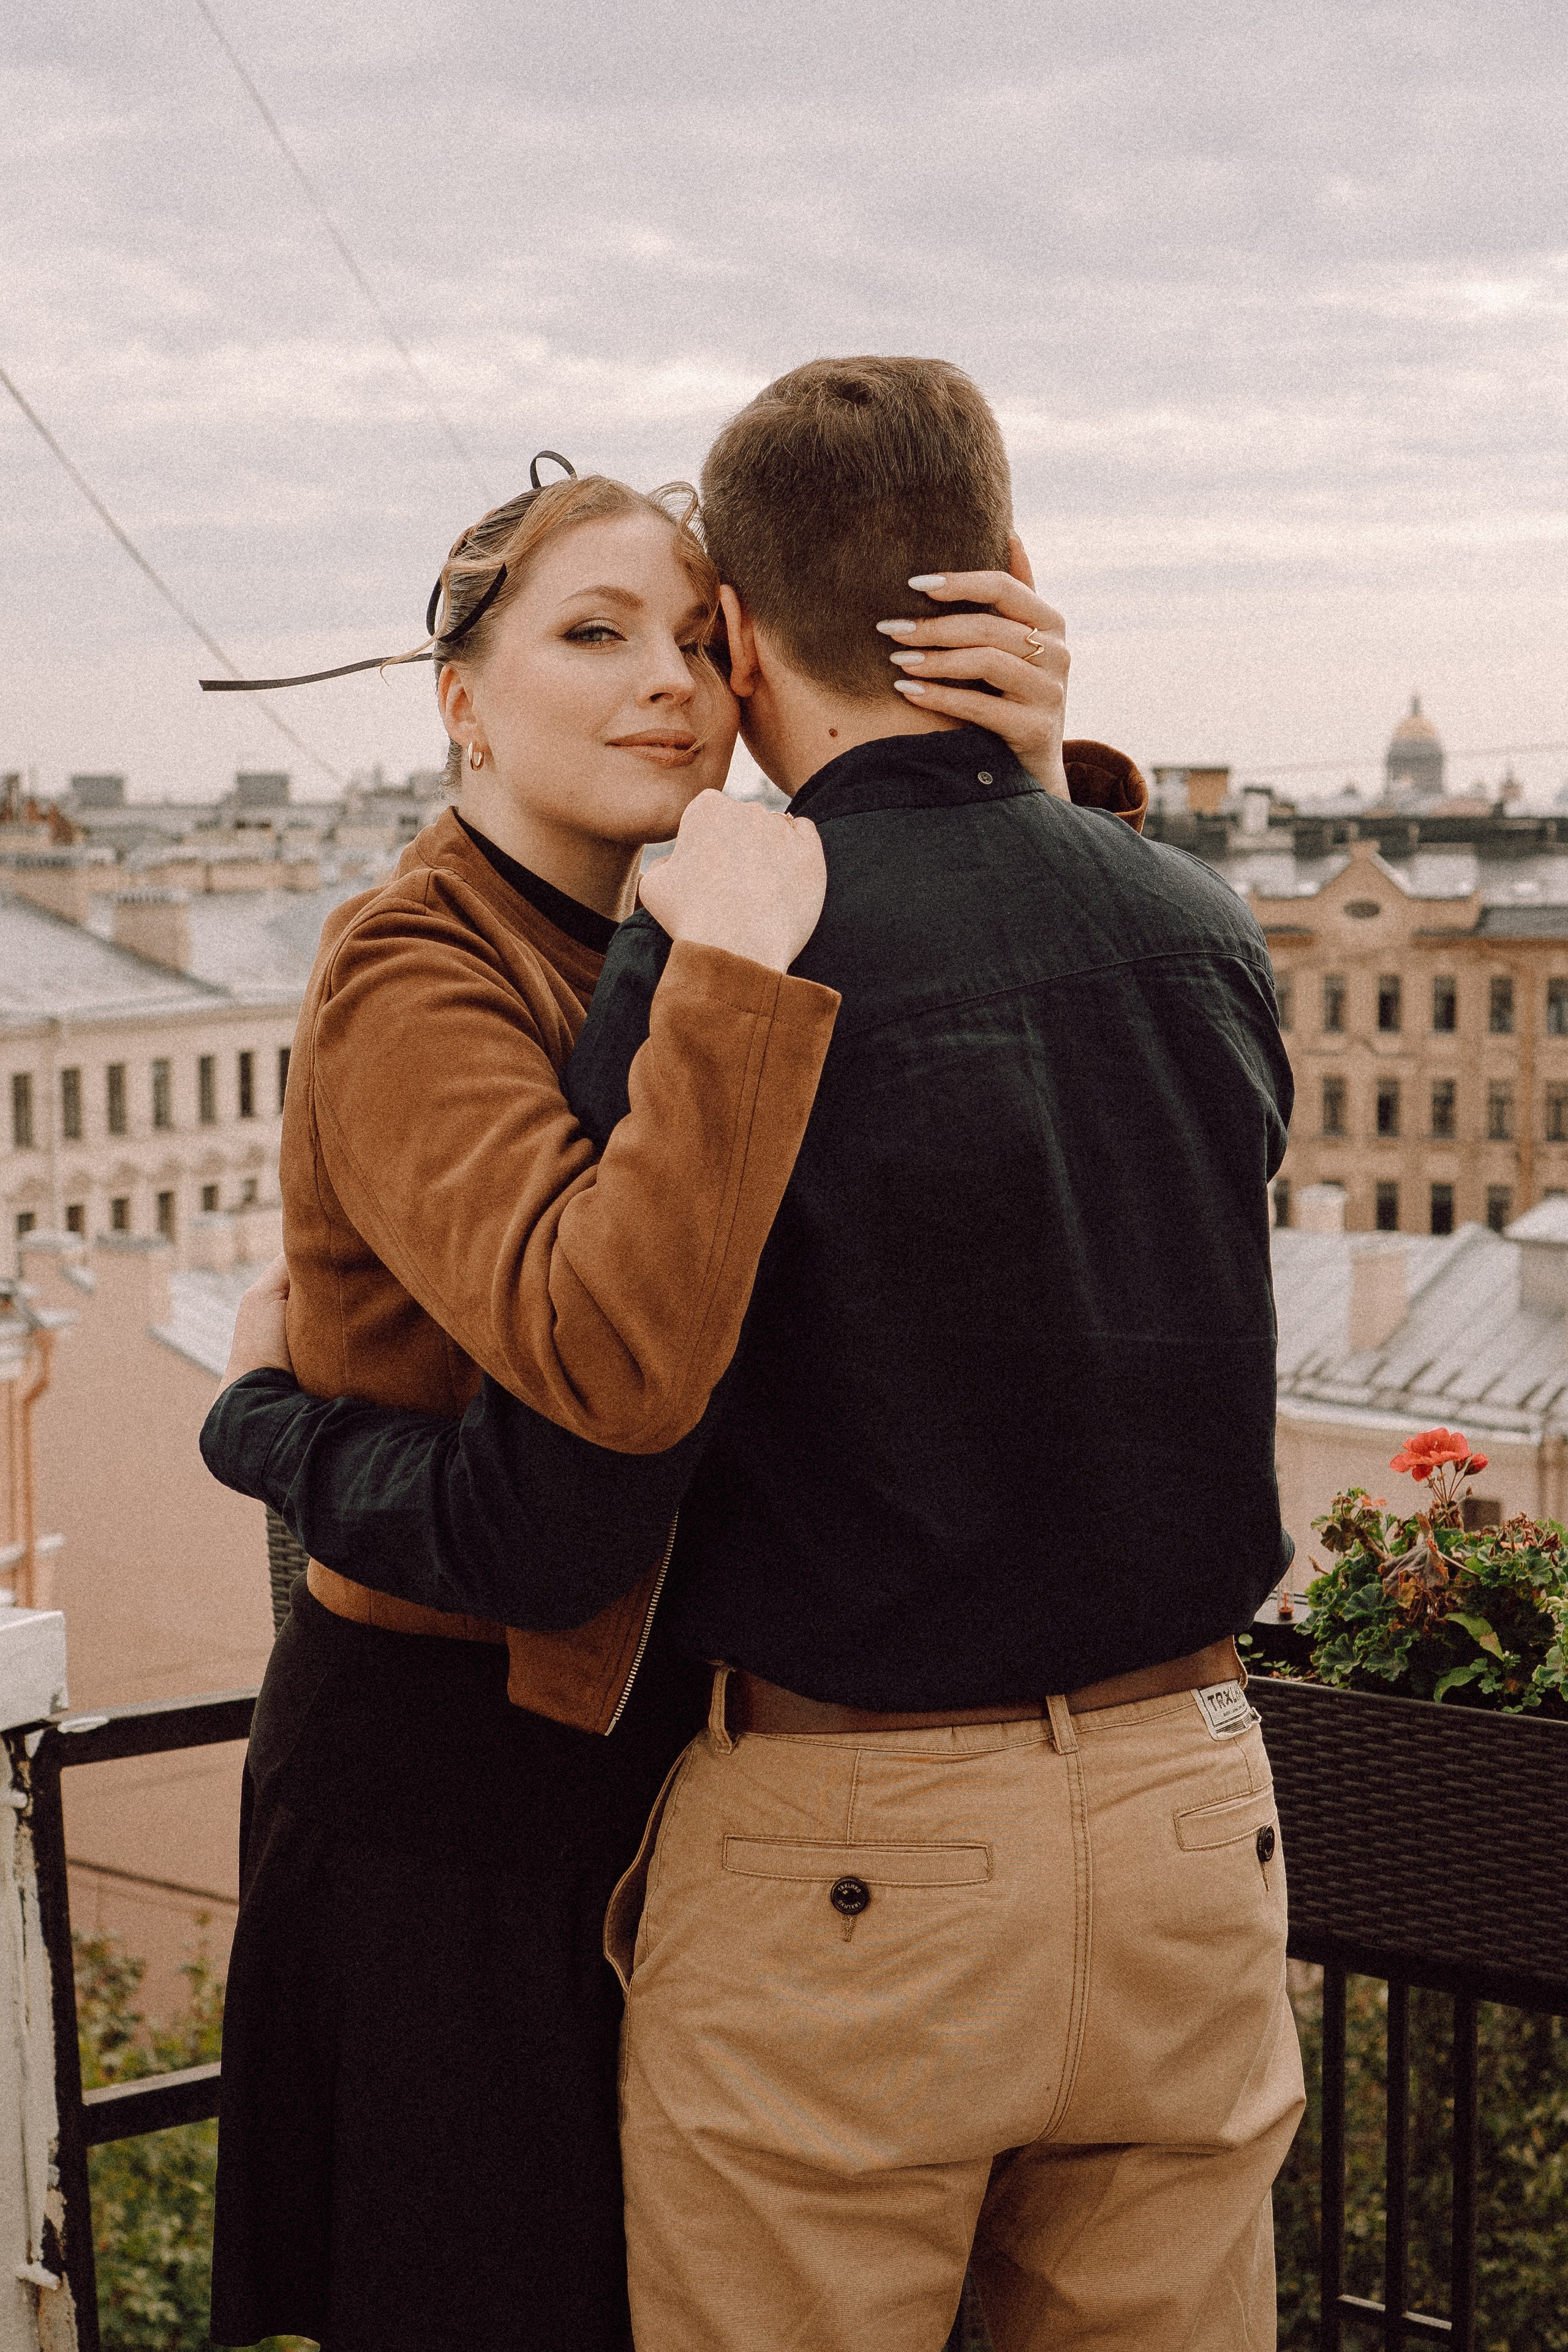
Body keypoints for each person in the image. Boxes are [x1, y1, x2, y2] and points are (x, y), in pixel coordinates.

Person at [208, 358, 1303, 2350]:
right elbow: (583, 1432)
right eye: (592, 633)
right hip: (462, 1797)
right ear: (461, 700)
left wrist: (1027, 794)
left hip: (694, 1793)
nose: (664, 682)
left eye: (696, 637)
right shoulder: (427, 960)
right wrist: (271, 1430)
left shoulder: (709, 932)